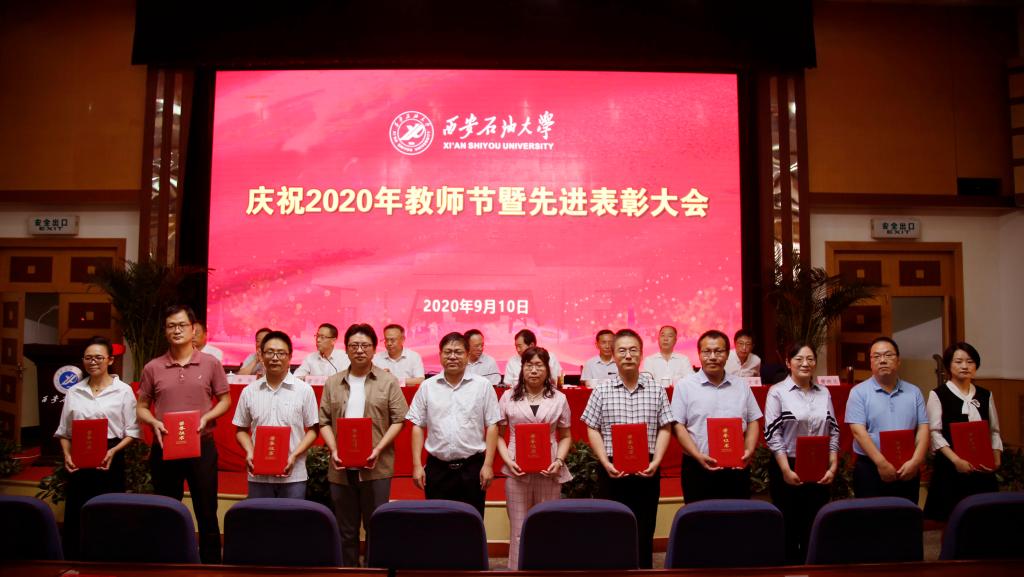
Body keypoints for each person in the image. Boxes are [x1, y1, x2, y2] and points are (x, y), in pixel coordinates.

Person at [137, 305, 230, 563]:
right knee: (166, 508)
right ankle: (169, 561)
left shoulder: (210, 363)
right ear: (165, 331)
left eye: (181, 325)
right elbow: (141, 406)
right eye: (171, 326)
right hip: (165, 447)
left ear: (193, 329)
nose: (176, 330)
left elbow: (225, 400)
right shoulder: (153, 367)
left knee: (206, 509)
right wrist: (153, 422)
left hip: (202, 446)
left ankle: (211, 564)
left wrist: (207, 416)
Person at [581, 329, 673, 569]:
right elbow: (592, 428)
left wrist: (656, 461)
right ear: (613, 354)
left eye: (633, 350)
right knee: (611, 527)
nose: (628, 355)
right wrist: (605, 462)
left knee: (645, 527)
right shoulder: (601, 390)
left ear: (641, 354)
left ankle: (644, 571)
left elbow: (666, 427)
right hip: (611, 467)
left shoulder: (656, 389)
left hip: (648, 468)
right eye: (622, 350)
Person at [320, 323, 409, 566]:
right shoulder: (332, 382)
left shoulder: (387, 381)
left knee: (376, 527)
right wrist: (334, 450)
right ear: (346, 349)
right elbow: (323, 421)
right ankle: (348, 572)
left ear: (374, 348)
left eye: (365, 345)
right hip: (340, 468)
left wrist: (378, 449)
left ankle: (373, 571)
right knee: (345, 530)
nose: (359, 350)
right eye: (354, 346)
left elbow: (399, 419)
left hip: (376, 467)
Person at [54, 336, 140, 559]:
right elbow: (64, 431)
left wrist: (114, 451)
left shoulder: (123, 391)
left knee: (109, 510)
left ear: (110, 360)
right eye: (88, 358)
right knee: (77, 510)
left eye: (98, 358)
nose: (93, 362)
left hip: (110, 455)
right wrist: (67, 454)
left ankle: (108, 561)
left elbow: (132, 431)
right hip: (79, 457)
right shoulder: (74, 391)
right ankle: (74, 562)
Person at [407, 332, 500, 516]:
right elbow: (417, 425)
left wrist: (488, 465)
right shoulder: (427, 386)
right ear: (440, 355)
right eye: (447, 352)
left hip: (472, 468)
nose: (452, 356)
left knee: (471, 522)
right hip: (437, 469)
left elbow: (492, 425)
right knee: (438, 524)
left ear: (467, 355)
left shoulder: (482, 386)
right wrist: (417, 465)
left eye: (458, 352)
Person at [496, 346, 572, 569]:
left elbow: (566, 436)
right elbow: (498, 435)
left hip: (549, 468)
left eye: (539, 365)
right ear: (522, 368)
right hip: (516, 468)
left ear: (547, 369)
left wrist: (559, 461)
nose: (534, 370)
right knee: (518, 528)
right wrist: (507, 461)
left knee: (547, 525)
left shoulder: (559, 398)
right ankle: (517, 570)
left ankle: (547, 570)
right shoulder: (508, 396)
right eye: (529, 365)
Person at [764, 342, 840, 563]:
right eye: (799, 359)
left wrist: (833, 465)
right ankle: (790, 571)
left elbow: (834, 430)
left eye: (810, 359)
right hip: (787, 465)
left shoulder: (824, 392)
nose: (805, 363)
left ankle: (812, 570)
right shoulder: (777, 392)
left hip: (818, 467)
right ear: (789, 363)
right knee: (788, 526)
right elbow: (772, 434)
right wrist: (785, 469)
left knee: (814, 525)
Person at [672, 329, 762, 503]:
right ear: (699, 354)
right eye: (707, 351)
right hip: (697, 467)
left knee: (736, 516)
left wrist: (749, 450)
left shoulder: (741, 385)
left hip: (736, 467)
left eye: (719, 351)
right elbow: (677, 425)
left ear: (727, 354)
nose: (712, 357)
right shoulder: (685, 386)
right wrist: (697, 455)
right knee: (699, 517)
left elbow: (753, 420)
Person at [232, 330, 319, 498]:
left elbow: (314, 430)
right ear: (261, 355)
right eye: (270, 352)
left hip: (293, 476)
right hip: (258, 475)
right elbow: (241, 430)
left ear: (290, 356)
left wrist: (294, 455)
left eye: (281, 353)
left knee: (292, 515)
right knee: (260, 515)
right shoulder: (249, 391)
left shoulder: (304, 390)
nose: (275, 358)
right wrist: (250, 452)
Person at [923, 342, 1002, 521]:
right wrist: (956, 460)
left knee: (983, 518)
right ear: (949, 366)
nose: (965, 366)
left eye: (970, 361)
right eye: (958, 362)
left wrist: (996, 456)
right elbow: (935, 433)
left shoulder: (985, 395)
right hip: (951, 468)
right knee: (952, 519)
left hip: (982, 468)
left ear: (976, 366)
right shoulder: (938, 394)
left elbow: (994, 430)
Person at [845, 336, 929, 504]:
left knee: (905, 514)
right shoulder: (858, 392)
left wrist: (916, 461)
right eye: (876, 356)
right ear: (870, 362)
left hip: (908, 466)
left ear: (898, 361)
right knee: (872, 516)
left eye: (888, 355)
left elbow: (923, 428)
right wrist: (881, 463)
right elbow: (858, 432)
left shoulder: (914, 392)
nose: (882, 360)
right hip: (871, 467)